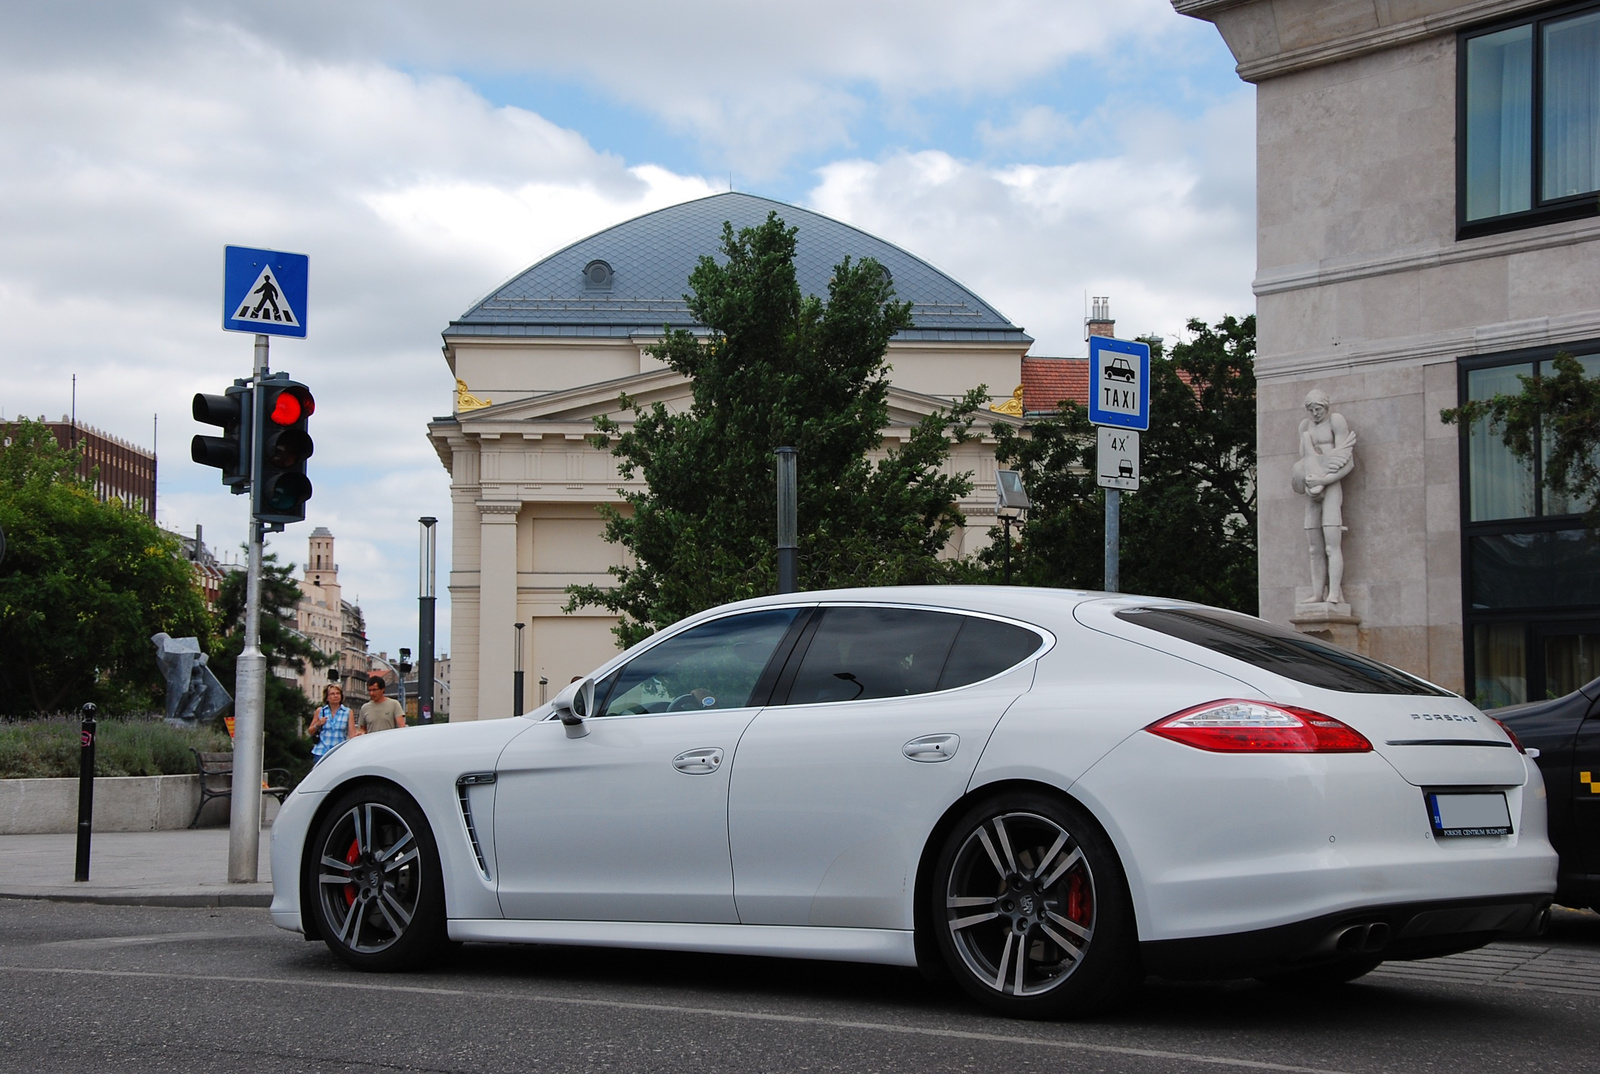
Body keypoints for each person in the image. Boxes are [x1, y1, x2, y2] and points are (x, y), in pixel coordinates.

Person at [1292, 388, 1357, 605]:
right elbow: (1304, 461)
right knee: (1314, 547)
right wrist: (1306, 481)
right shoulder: (1305, 426)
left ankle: (1335, 593)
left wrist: (1324, 481)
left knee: (1331, 543)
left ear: (1325, 407)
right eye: (1311, 409)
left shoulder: (1336, 421)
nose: (1315, 413)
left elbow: (1347, 462)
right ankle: (1317, 593)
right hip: (1312, 487)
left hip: (1330, 484)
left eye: (1318, 409)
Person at [307, 683, 354, 764]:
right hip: (321, 752)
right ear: (327, 697)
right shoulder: (320, 711)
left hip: (339, 751)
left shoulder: (348, 712)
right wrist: (318, 724)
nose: (336, 696)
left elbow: (352, 734)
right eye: (332, 694)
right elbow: (310, 731)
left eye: (338, 693)